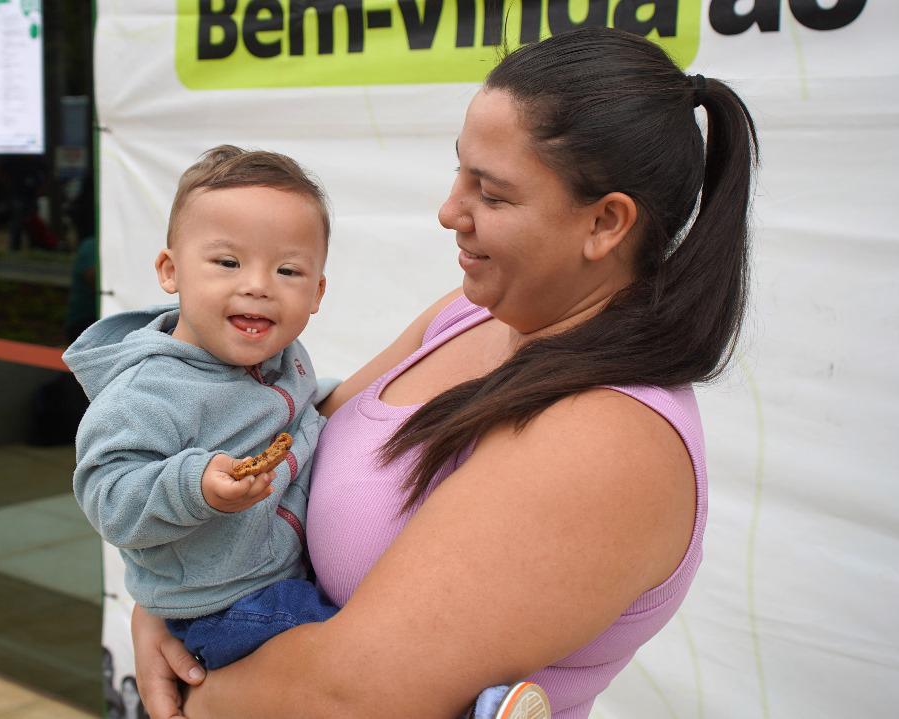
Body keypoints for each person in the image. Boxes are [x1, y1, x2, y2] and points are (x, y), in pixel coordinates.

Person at [133, 27, 757, 718]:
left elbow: (348, 695)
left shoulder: (611, 437)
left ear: (606, 222)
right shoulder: (471, 313)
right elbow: (284, 442)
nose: (448, 210)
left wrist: (192, 691)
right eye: (460, 169)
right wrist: (171, 597)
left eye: (490, 194)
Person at [68, 146, 547, 718]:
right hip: (224, 605)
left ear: (318, 292)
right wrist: (193, 485)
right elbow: (107, 493)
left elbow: (302, 409)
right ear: (170, 270)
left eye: (288, 270)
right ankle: (474, 712)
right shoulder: (150, 391)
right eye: (227, 263)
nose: (259, 286)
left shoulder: (279, 361)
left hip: (272, 576)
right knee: (351, 655)